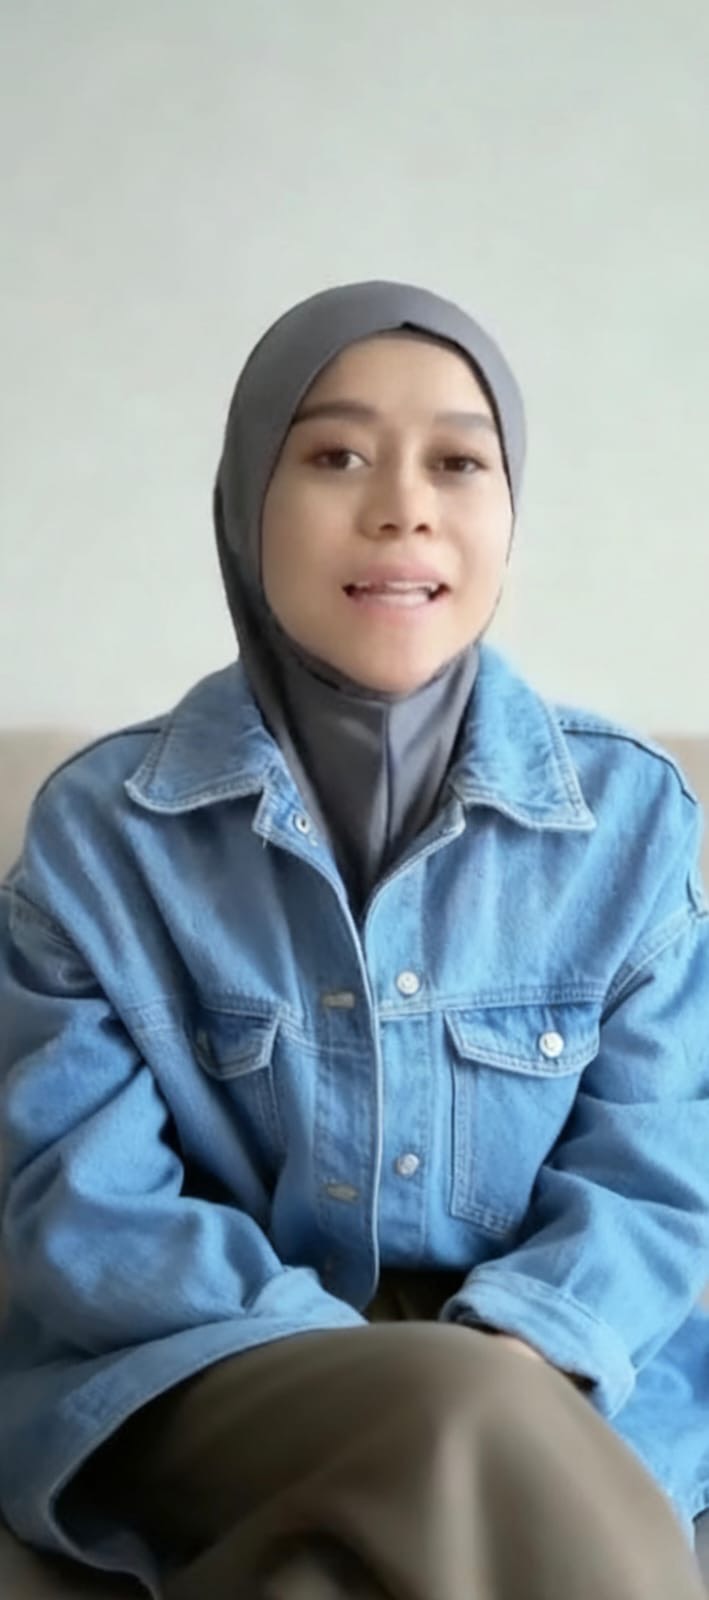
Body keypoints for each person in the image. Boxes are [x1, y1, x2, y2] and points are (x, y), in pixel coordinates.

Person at [1, 279, 709, 1600]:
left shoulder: (631, 819)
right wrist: (381, 1363)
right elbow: (81, 1207)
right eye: (334, 456)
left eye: (458, 462)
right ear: (243, 505)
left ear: (509, 511)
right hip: (211, 1367)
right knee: (462, 1421)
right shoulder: (99, 834)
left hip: (548, 1365)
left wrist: (515, 1347)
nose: (403, 507)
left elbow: (662, 1167)